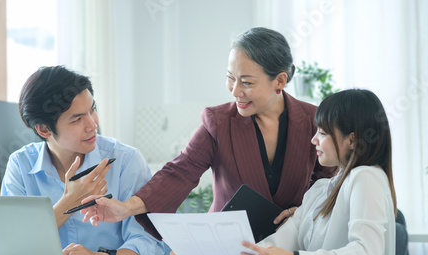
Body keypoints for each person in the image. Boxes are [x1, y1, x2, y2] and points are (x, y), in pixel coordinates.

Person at [81, 27, 336, 240]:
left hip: (290, 245)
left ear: (279, 81)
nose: (235, 91)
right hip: (226, 247)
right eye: (230, 78)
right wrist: (126, 208)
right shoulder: (218, 121)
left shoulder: (313, 121)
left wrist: (303, 212)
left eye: (246, 82)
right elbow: (180, 172)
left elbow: (327, 183)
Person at [172, 88, 397, 255]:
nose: (313, 139)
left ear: (351, 139)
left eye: (323, 133)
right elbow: (270, 248)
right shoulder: (320, 190)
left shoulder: (366, 177)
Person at [1, 65, 164, 255]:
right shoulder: (20, 165)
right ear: (44, 130)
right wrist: (70, 200)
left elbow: (148, 244)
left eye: (93, 110)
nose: (93, 125)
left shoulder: (125, 160)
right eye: (77, 119)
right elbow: (14, 246)